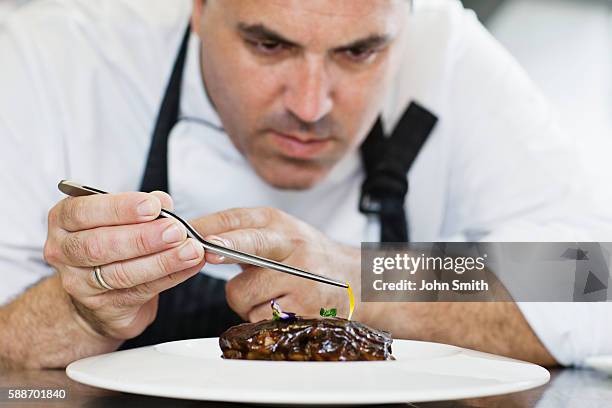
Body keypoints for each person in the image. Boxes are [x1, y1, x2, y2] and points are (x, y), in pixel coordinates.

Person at [0, 0, 608, 369]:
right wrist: (82, 311)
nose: (312, 106)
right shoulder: (53, 60)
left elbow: (591, 279)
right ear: (199, 9)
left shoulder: (450, 53)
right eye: (269, 45)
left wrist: (365, 279)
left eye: (360, 52)